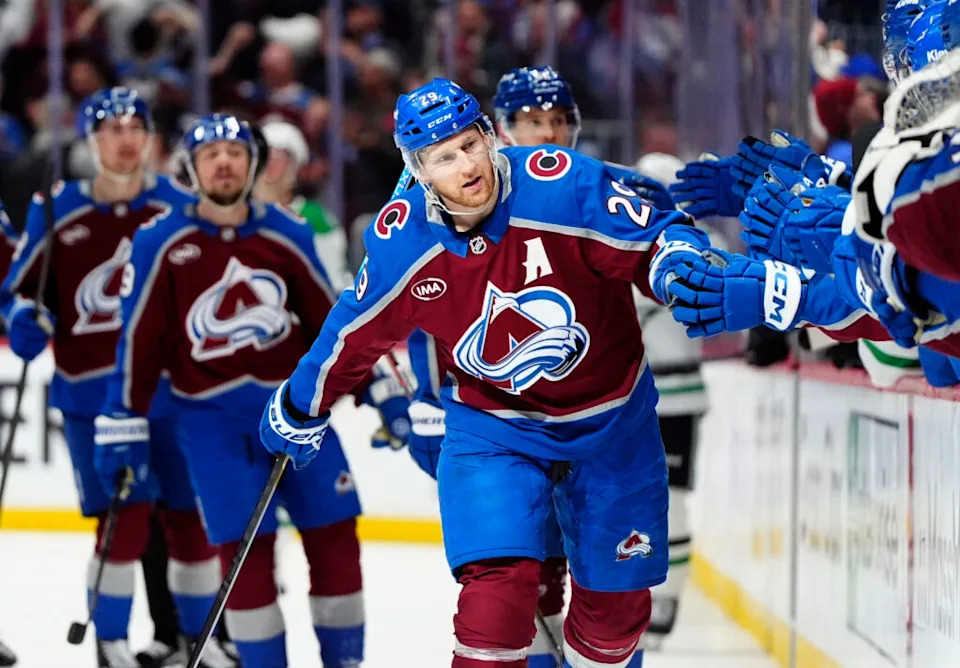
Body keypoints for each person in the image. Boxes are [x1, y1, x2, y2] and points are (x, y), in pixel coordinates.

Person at [260, 77, 711, 668]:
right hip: (494, 429)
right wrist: (301, 404)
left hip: (611, 425)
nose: (466, 165)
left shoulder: (562, 183)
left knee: (615, 623)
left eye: (470, 144)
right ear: (419, 171)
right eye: (443, 157)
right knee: (495, 603)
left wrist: (678, 262)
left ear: (490, 136)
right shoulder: (405, 241)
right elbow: (353, 333)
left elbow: (654, 231)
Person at [98, 113, 407, 668]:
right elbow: (138, 343)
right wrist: (121, 419)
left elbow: (335, 325)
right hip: (210, 427)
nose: (224, 162)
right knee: (246, 556)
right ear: (192, 169)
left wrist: (377, 388)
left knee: (336, 541)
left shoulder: (285, 231)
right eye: (211, 153)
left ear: (254, 163)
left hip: (295, 414)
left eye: (235, 153)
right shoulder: (161, 240)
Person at [0, 88, 227, 668]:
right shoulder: (56, 209)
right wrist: (24, 316)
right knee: (121, 526)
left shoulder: (180, 204)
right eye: (111, 129)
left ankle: (195, 643)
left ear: (150, 137)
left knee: (190, 521)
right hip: (92, 397)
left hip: (175, 396)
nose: (125, 139)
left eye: (135, 127)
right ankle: (111, 644)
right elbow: (18, 292)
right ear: (90, 141)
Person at [253, 117, 350, 291]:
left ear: (294, 164)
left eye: (278, 155)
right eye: (264, 154)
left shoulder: (315, 217)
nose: (269, 162)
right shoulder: (237, 215)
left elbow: (332, 283)